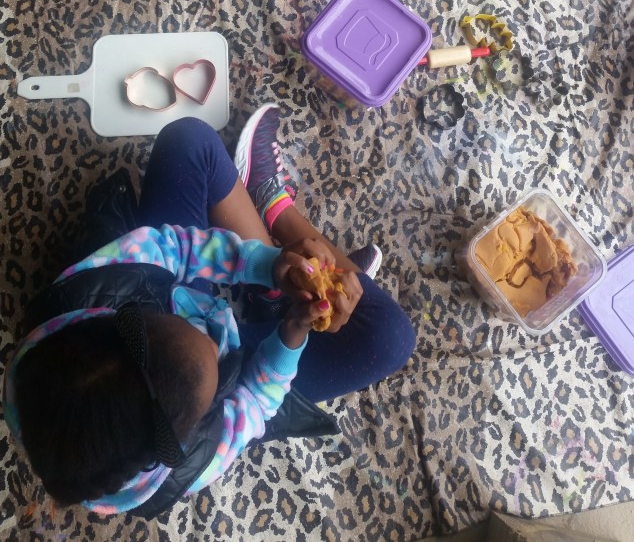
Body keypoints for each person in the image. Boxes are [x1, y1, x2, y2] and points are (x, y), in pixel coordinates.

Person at [4, 105, 416, 518]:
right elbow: (255, 401)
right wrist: (292, 331)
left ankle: (270, 280)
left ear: (117, 314)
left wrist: (265, 265)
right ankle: (277, 215)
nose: (213, 328)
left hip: (157, 299)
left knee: (188, 139)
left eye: (179, 321)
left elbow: (177, 248)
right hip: (249, 372)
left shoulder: (101, 283)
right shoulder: (194, 461)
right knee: (391, 339)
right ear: (190, 434)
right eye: (212, 355)